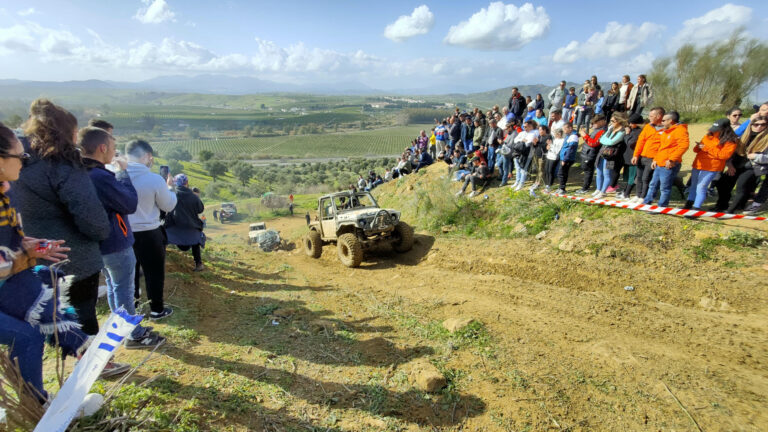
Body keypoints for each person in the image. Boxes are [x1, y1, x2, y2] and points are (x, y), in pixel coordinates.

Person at [0, 121, 95, 400]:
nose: (25, 163)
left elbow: (9, 243)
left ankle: (35, 401)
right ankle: (35, 403)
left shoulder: (6, 192)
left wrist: (32, 246)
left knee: (43, 282)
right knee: (26, 334)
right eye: (21, 157)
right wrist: (26, 255)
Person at [14, 99, 110, 337]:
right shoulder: (62, 165)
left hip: (34, 255)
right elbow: (91, 217)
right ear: (65, 132)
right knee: (82, 314)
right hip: (73, 256)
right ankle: (91, 363)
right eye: (75, 131)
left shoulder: (18, 163)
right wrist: (102, 231)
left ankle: (63, 362)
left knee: (50, 316)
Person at [80, 126, 165, 350]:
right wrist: (122, 173)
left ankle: (120, 327)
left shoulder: (80, 173)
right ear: (102, 147)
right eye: (114, 148)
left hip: (98, 243)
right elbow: (128, 203)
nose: (116, 153)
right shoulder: (102, 176)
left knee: (114, 286)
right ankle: (134, 335)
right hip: (115, 242)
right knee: (124, 289)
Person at [126, 139, 177, 320]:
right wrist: (170, 188)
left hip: (124, 233)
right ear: (147, 156)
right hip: (149, 232)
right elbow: (168, 205)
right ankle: (156, 310)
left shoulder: (116, 176)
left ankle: (132, 309)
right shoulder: (154, 179)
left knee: (129, 274)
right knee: (154, 273)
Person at [684, 119, 739, 211]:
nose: (714, 131)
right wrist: (698, 147)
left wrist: (706, 148)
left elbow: (724, 155)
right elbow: (696, 150)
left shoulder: (731, 141)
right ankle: (689, 204)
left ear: (725, 129)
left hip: (712, 167)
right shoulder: (708, 135)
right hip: (698, 164)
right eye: (713, 128)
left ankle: (696, 207)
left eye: (717, 129)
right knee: (693, 185)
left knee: (701, 186)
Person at [643, 111, 689, 207]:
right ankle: (647, 202)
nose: (662, 122)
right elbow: (661, 148)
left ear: (670, 121)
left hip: (669, 164)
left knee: (664, 187)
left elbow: (683, 146)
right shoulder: (666, 131)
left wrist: (672, 159)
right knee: (653, 184)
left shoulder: (680, 130)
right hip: (660, 163)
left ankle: (662, 206)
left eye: (663, 120)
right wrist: (655, 159)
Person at [726, 116, 768, 213]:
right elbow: (732, 150)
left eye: (763, 124)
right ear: (751, 125)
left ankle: (730, 211)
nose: (759, 127)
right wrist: (729, 163)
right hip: (737, 163)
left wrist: (756, 157)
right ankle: (724, 205)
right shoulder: (743, 135)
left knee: (741, 187)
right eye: (756, 124)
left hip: (754, 166)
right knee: (723, 183)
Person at [165, 174, 205, 272]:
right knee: (195, 242)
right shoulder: (193, 196)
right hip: (191, 227)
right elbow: (200, 209)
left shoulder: (171, 193)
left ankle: (159, 261)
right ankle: (198, 263)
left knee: (163, 238)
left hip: (174, 227)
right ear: (186, 183)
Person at [630, 107, 666, 203]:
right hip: (642, 156)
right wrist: (636, 155)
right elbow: (640, 141)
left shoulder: (666, 129)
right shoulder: (648, 127)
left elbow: (663, 146)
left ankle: (643, 197)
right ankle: (638, 195)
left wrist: (656, 159)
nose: (649, 117)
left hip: (652, 158)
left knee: (646, 178)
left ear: (659, 116)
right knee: (639, 177)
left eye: (651, 116)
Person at [593, 113, 627, 199]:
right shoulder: (610, 129)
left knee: (607, 174)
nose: (611, 123)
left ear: (619, 121)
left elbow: (612, 142)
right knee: (599, 171)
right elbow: (601, 139)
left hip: (611, 156)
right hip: (602, 153)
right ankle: (598, 189)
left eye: (613, 121)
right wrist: (608, 132)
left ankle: (603, 191)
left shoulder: (622, 131)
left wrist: (606, 140)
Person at [574, 115, 607, 194]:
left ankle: (585, 188)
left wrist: (585, 136)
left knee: (588, 171)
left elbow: (593, 143)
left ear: (601, 122)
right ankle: (586, 185)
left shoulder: (602, 131)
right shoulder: (597, 129)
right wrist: (585, 135)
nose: (593, 125)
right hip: (587, 152)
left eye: (594, 123)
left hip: (591, 154)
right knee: (586, 169)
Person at [616, 113, 644, 199]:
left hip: (633, 158)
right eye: (630, 123)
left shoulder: (639, 132)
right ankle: (625, 191)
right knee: (628, 176)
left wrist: (627, 134)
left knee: (632, 177)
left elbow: (630, 143)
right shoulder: (634, 130)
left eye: (632, 123)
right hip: (627, 157)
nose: (630, 125)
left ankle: (626, 193)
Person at [511, 120, 538, 191]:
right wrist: (522, 140)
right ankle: (517, 181)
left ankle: (521, 183)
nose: (524, 128)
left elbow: (528, 142)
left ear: (530, 126)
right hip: (518, 152)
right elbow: (515, 140)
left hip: (528, 153)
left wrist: (521, 140)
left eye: (526, 126)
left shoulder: (534, 133)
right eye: (523, 126)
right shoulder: (522, 133)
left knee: (524, 169)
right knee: (518, 168)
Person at [556, 123, 579, 194]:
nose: (564, 131)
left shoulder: (573, 137)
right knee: (562, 173)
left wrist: (565, 159)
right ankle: (561, 187)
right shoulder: (568, 136)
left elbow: (570, 150)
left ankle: (562, 188)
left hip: (567, 159)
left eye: (565, 129)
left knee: (561, 173)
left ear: (570, 128)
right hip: (564, 157)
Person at [530, 125, 551, 190]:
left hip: (543, 155)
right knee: (537, 169)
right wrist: (534, 143)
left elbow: (545, 147)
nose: (540, 131)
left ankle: (539, 182)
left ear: (544, 130)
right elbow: (536, 146)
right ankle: (536, 181)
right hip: (537, 154)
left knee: (541, 169)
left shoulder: (548, 137)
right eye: (539, 130)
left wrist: (538, 142)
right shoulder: (539, 136)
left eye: (541, 130)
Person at [544, 127, 564, 191]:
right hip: (549, 155)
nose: (555, 135)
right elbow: (549, 148)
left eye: (556, 134)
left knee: (550, 171)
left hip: (554, 157)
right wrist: (548, 146)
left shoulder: (562, 140)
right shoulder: (555, 139)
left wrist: (551, 145)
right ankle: (547, 184)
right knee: (546, 170)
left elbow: (557, 150)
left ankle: (550, 184)